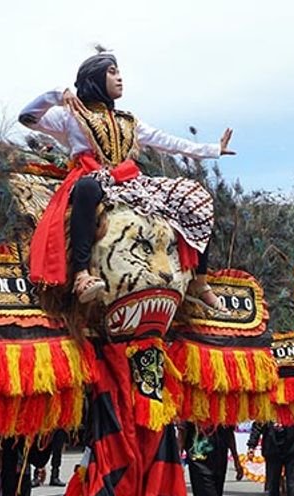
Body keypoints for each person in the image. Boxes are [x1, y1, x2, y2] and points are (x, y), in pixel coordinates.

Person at [19, 52, 234, 310]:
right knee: (87, 188)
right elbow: (27, 117)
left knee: (193, 196)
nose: (120, 77)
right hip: (91, 175)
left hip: (129, 181)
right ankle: (81, 275)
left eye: (119, 71)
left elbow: (167, 141)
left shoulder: (129, 121)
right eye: (112, 71)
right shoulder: (70, 115)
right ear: (95, 77)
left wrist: (212, 150)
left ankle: (199, 281)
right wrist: (57, 94)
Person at [181, 423, 244, 496]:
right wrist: (178, 462)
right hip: (199, 463)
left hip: (220, 462)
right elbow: (182, 431)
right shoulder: (192, 410)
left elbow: (229, 434)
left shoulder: (226, 409)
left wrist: (236, 460)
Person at [247, 422, 294, 496]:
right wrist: (252, 445)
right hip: (272, 448)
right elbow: (258, 423)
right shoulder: (266, 408)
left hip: (293, 448)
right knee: (273, 485)